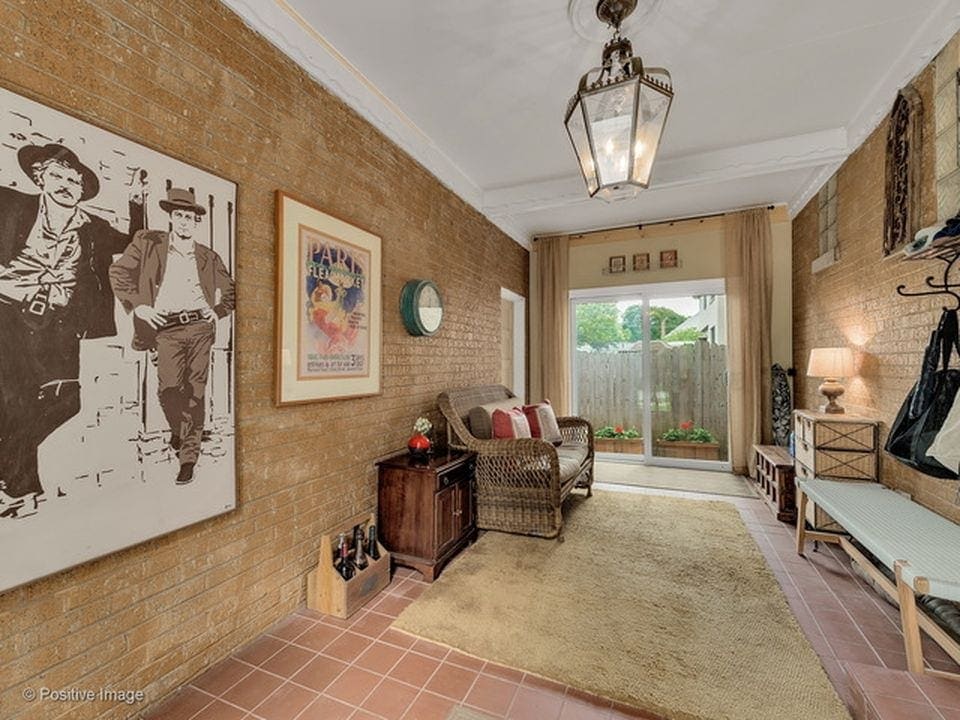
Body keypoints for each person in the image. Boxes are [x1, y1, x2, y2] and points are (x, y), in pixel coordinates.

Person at [0, 143, 144, 518]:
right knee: (15, 401)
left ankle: (9, 473)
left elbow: (135, 247)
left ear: (82, 190)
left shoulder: (92, 228)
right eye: (57, 176)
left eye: (73, 180)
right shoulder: (11, 204)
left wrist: (137, 202)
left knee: (68, 399)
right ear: (39, 178)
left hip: (59, 323)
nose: (66, 184)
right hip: (8, 313)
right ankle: (22, 491)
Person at [109, 188, 235, 485]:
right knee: (168, 389)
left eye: (189, 218)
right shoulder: (148, 243)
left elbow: (230, 289)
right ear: (170, 218)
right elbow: (118, 273)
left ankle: (188, 458)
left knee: (194, 391)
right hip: (165, 328)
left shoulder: (207, 256)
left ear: (196, 222)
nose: (184, 222)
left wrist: (216, 311)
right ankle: (179, 431)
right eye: (179, 216)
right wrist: (139, 307)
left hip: (200, 328)